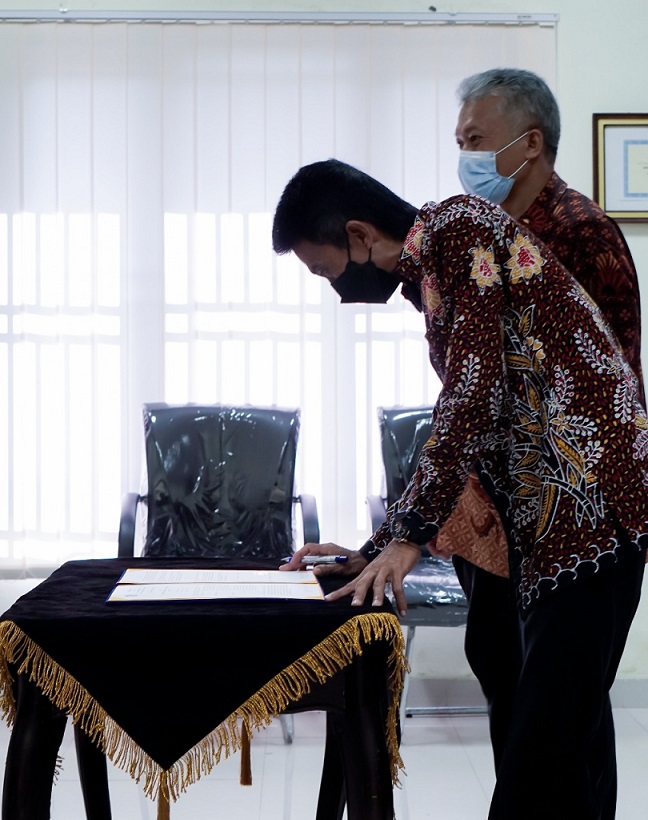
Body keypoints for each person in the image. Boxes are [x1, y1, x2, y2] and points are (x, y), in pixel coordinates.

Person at [273, 158, 648, 819]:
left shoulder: (460, 229)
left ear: (359, 235)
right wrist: (378, 546)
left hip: (593, 513)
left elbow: (474, 396)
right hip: (556, 520)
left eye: (324, 270)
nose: (333, 288)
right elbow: (474, 415)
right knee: (561, 755)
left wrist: (409, 538)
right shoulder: (436, 272)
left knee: (543, 758)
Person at [451, 66, 646, 777]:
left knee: (561, 716)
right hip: (503, 511)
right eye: (460, 142)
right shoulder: (492, 234)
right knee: (513, 691)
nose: (465, 156)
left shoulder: (579, 233)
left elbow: (597, 389)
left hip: (574, 514)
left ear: (530, 143)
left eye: (476, 140)